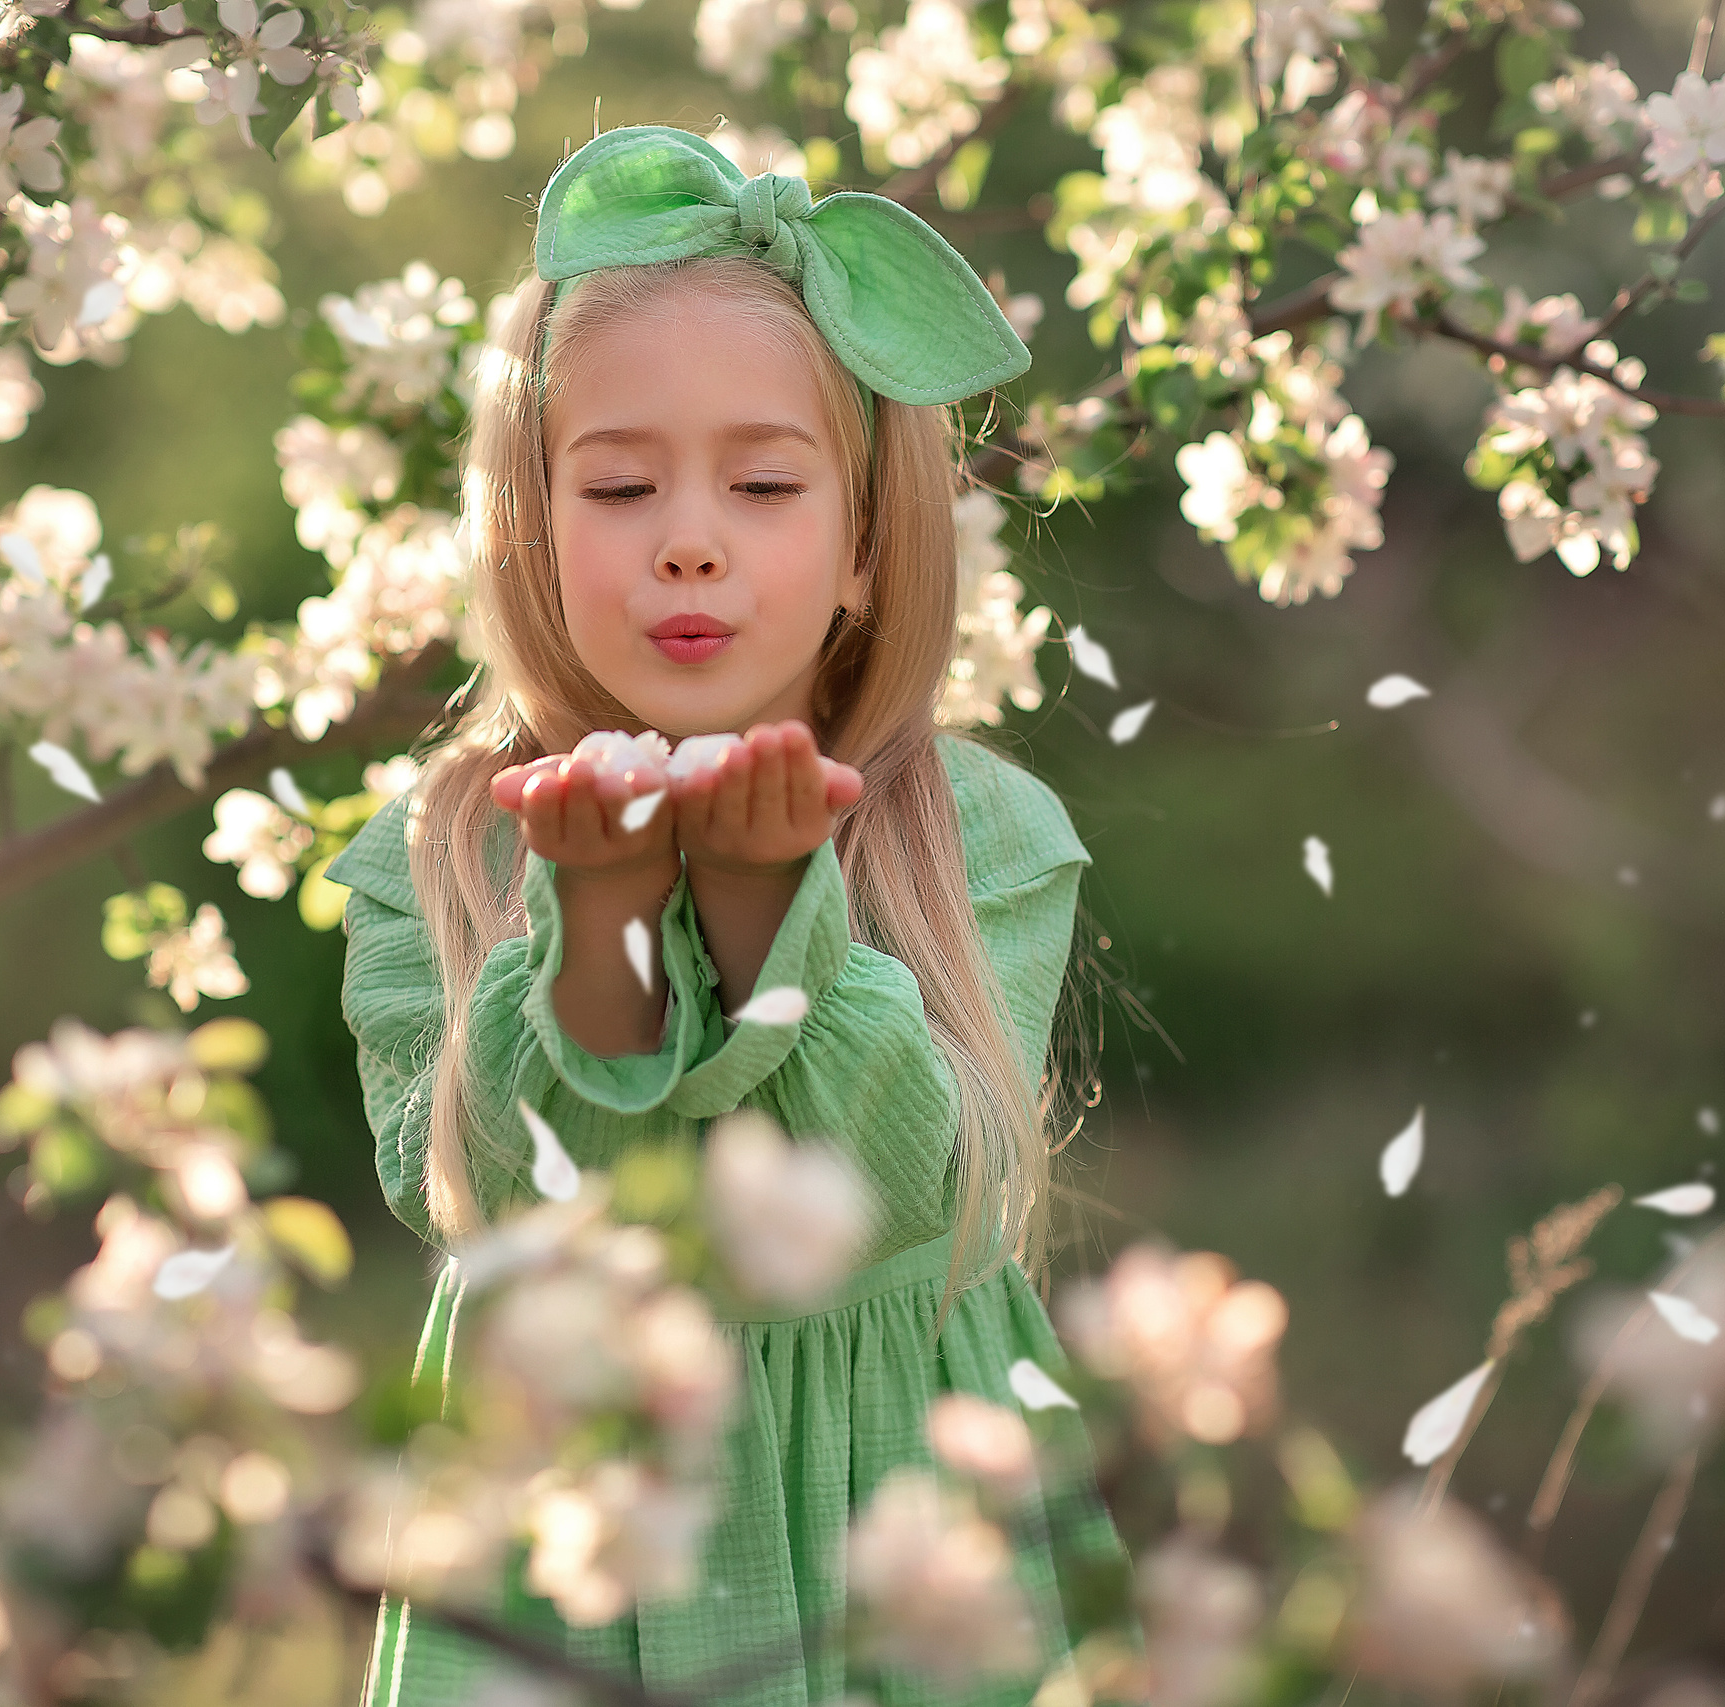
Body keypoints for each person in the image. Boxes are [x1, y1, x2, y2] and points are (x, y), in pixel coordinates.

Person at [328, 123, 1138, 1707]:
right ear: (535, 528)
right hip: (574, 1545)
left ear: (859, 545)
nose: (686, 533)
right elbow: (500, 1205)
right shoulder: (445, 856)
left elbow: (916, 1194)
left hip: (899, 1531)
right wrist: (605, 927)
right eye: (619, 483)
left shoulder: (975, 836)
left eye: (763, 482)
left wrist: (778, 914)